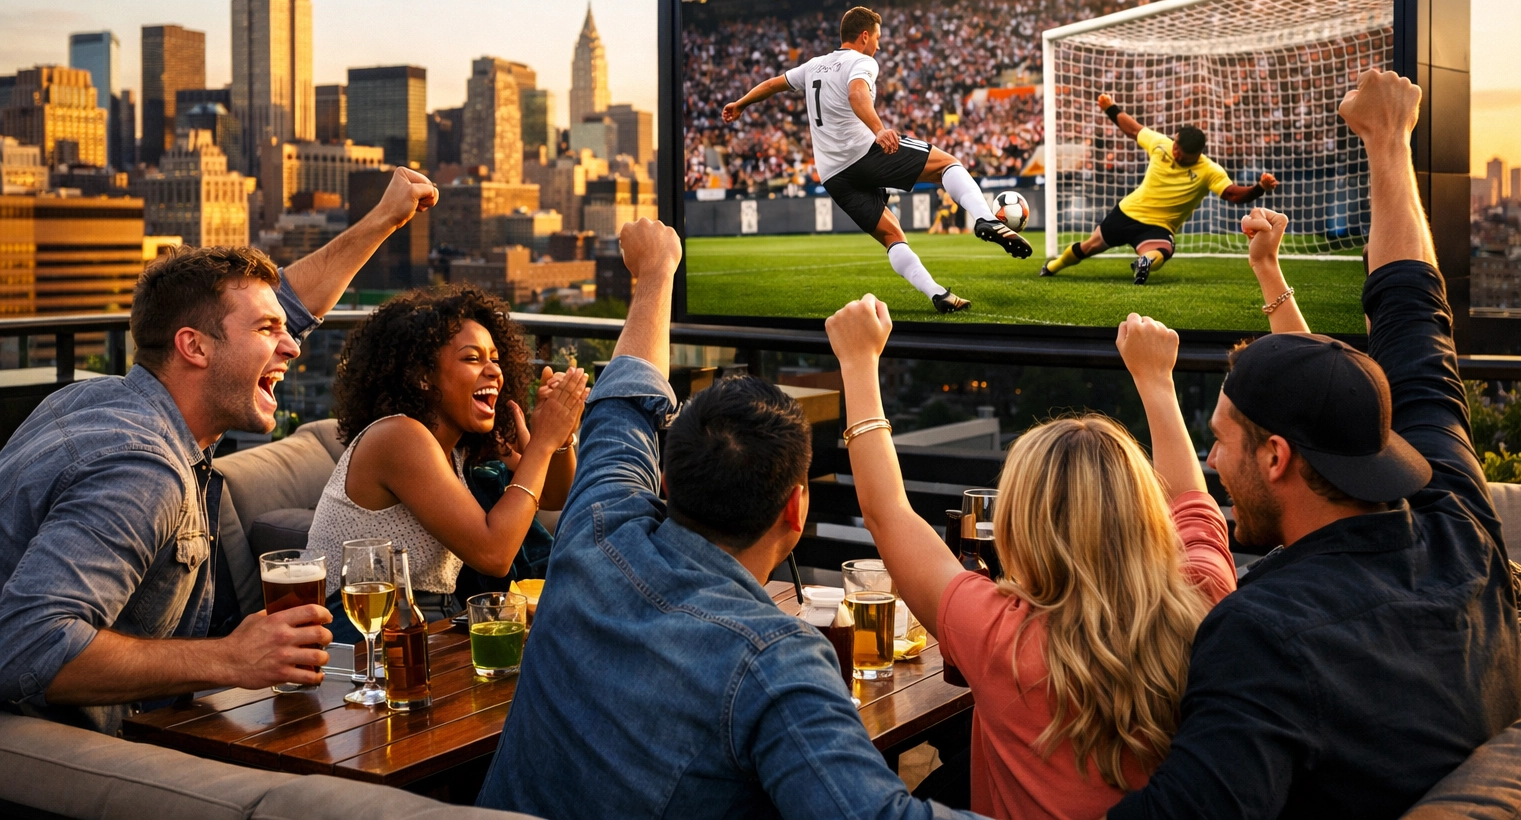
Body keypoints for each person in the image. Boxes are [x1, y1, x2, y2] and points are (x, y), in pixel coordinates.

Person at [1106, 70, 1521, 820]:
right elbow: (1413, 320)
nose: (1212, 462)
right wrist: (1389, 145)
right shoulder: (1459, 523)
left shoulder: (1264, 635)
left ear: (1276, 458)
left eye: (1222, 444)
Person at [477, 217, 982, 820]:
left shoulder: (597, 532)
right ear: (796, 511)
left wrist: (656, 276)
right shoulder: (776, 662)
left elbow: (623, 404)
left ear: (664, 482)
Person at [0, 167, 438, 734]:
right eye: (267, 330)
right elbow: (26, 648)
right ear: (194, 347)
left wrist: (384, 220)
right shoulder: (143, 467)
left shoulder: (95, 399)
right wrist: (232, 658)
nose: (291, 346)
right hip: (61, 756)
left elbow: (281, 312)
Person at [825, 296, 1235, 819]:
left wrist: (857, 364)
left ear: (1020, 528)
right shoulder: (1207, 597)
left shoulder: (1001, 636)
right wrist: (1157, 381)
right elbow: (1192, 507)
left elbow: (888, 515)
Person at [305, 284, 587, 639]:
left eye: (495, 359)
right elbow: (495, 552)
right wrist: (543, 441)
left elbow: (551, 495)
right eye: (473, 358)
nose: (493, 372)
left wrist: (561, 440)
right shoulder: (398, 437)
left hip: (426, 621)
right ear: (423, 376)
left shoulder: (458, 446)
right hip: (357, 630)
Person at [722, 5, 1033, 316]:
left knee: (891, 236)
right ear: (865, 35)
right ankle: (985, 218)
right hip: (863, 153)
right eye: (878, 38)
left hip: (833, 175)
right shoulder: (862, 61)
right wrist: (879, 130)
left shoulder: (814, 66)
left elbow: (772, 84)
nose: (879, 46)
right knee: (948, 165)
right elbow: (857, 94)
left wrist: (741, 103)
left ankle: (937, 294)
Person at [1040, 93, 1278, 284]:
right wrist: (1111, 108)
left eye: (1180, 152)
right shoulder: (1161, 144)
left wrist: (1258, 188)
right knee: (1089, 246)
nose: (1175, 151)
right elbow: (1133, 129)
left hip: (1158, 226)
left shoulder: (1210, 170)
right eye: (1175, 145)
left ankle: (1143, 263)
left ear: (1196, 154)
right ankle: (1052, 266)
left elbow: (1232, 194)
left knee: (1163, 250)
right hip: (1126, 213)